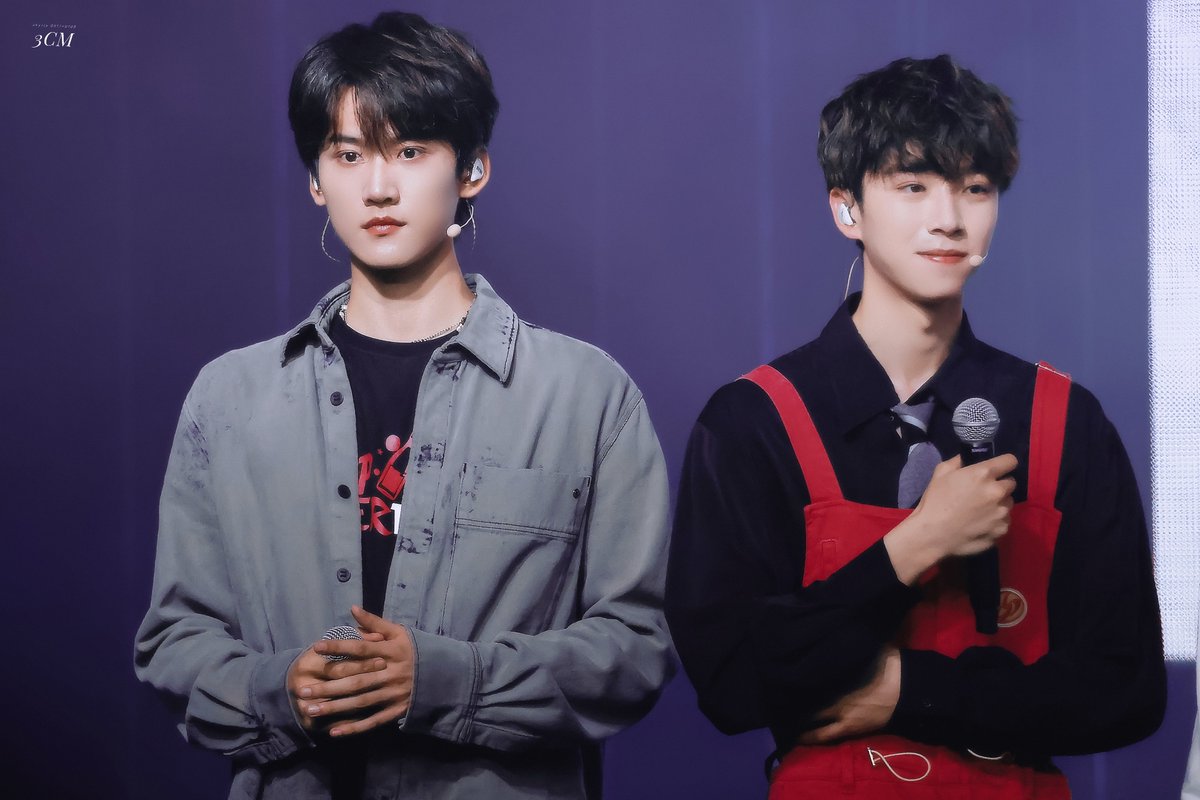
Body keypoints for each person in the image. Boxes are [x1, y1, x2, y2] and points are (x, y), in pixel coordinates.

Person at [134, 12, 673, 800]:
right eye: (348, 154)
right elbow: (173, 642)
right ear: (316, 179)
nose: (378, 187)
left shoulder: (585, 395)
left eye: (411, 151)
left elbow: (636, 648)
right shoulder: (230, 398)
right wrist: (280, 691)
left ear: (473, 169)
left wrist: (451, 680)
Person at [666, 54, 1165, 798]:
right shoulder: (755, 420)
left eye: (975, 188)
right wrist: (917, 543)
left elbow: (1128, 690)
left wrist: (910, 693)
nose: (950, 218)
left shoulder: (1065, 420)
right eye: (913, 186)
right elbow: (732, 684)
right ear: (846, 209)